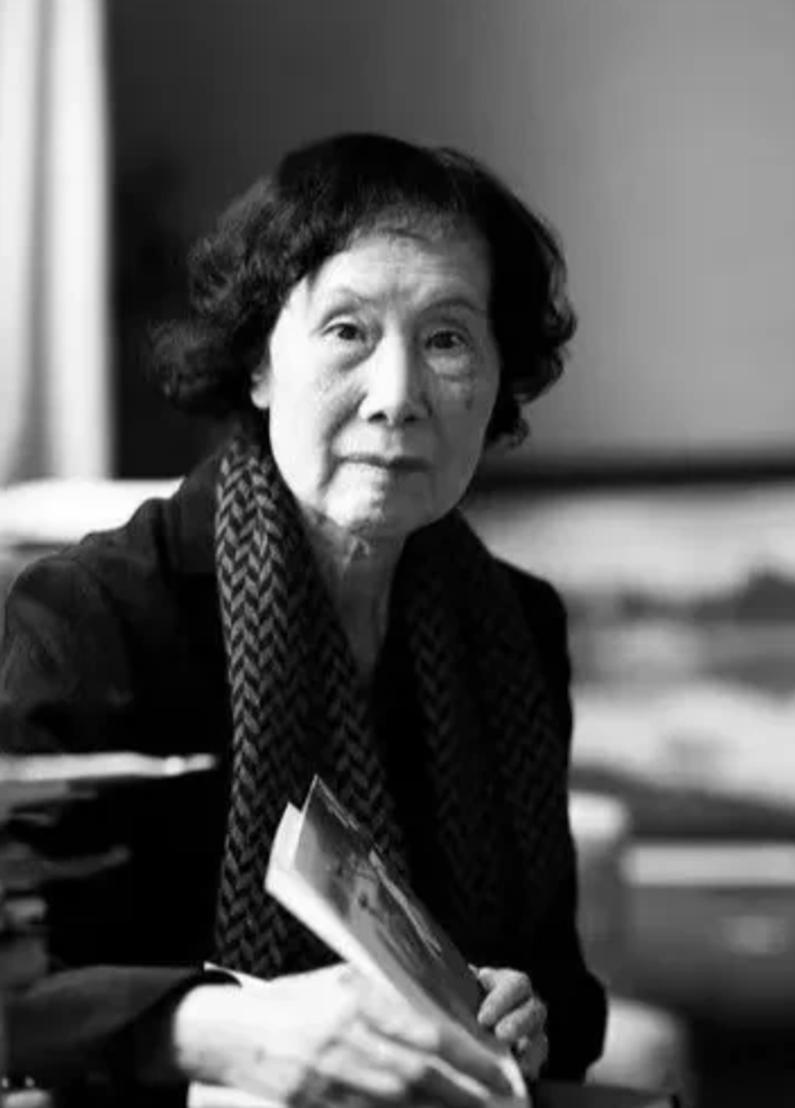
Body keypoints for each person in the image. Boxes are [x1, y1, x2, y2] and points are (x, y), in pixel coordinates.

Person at [0, 132, 607, 1105]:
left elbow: (566, 991)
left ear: (499, 380)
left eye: (448, 340)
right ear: (257, 364)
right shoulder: (90, 617)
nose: (397, 398)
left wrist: (525, 1013)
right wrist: (214, 1030)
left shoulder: (517, 626)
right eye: (347, 331)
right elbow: (19, 994)